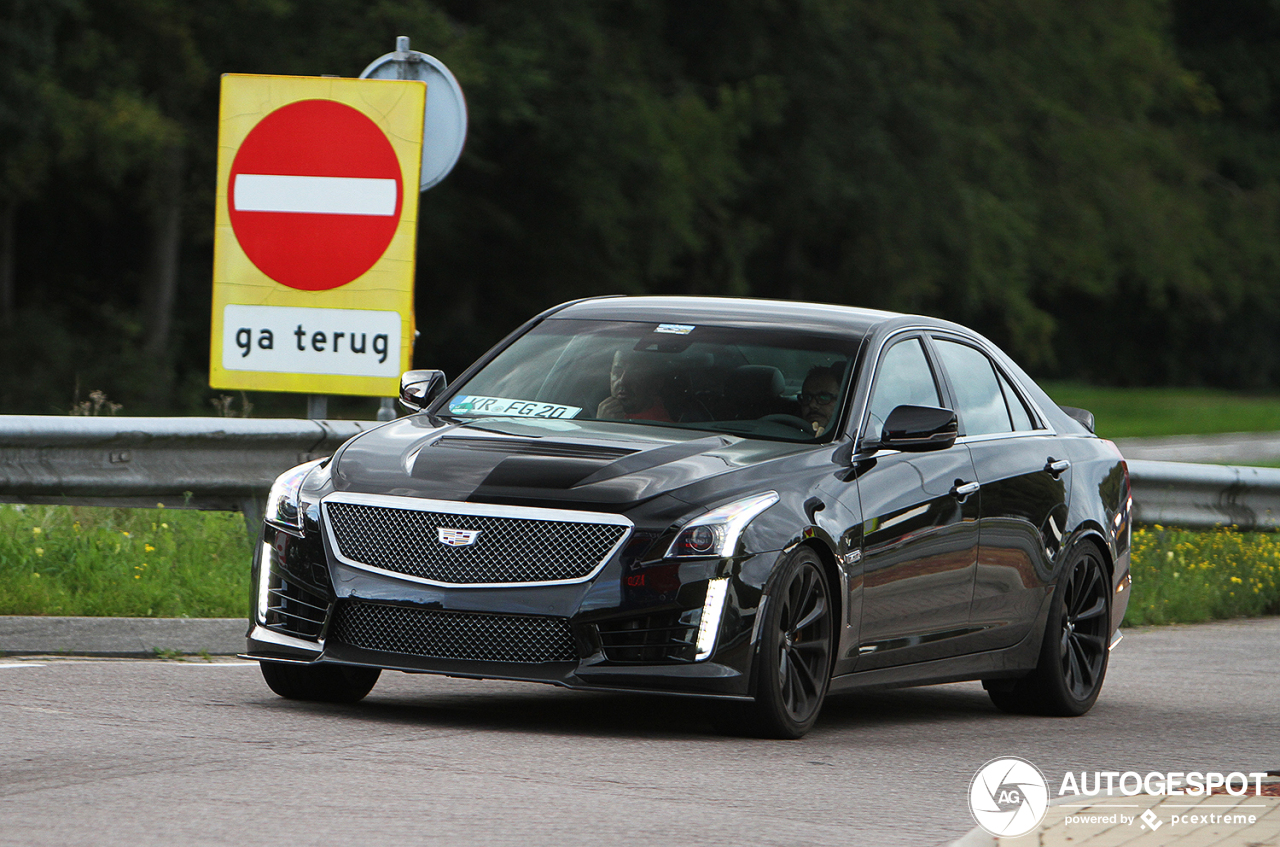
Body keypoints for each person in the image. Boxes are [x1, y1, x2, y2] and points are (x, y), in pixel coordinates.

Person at [596, 349, 672, 422]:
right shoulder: (600, 409)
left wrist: (602, 425)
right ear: (610, 374)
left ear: (656, 383)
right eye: (617, 372)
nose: (622, 381)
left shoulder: (658, 428)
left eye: (634, 374)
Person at [799, 364, 843, 436]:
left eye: (824, 397)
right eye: (807, 398)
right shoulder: (787, 431)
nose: (812, 405)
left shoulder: (847, 438)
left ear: (842, 401)